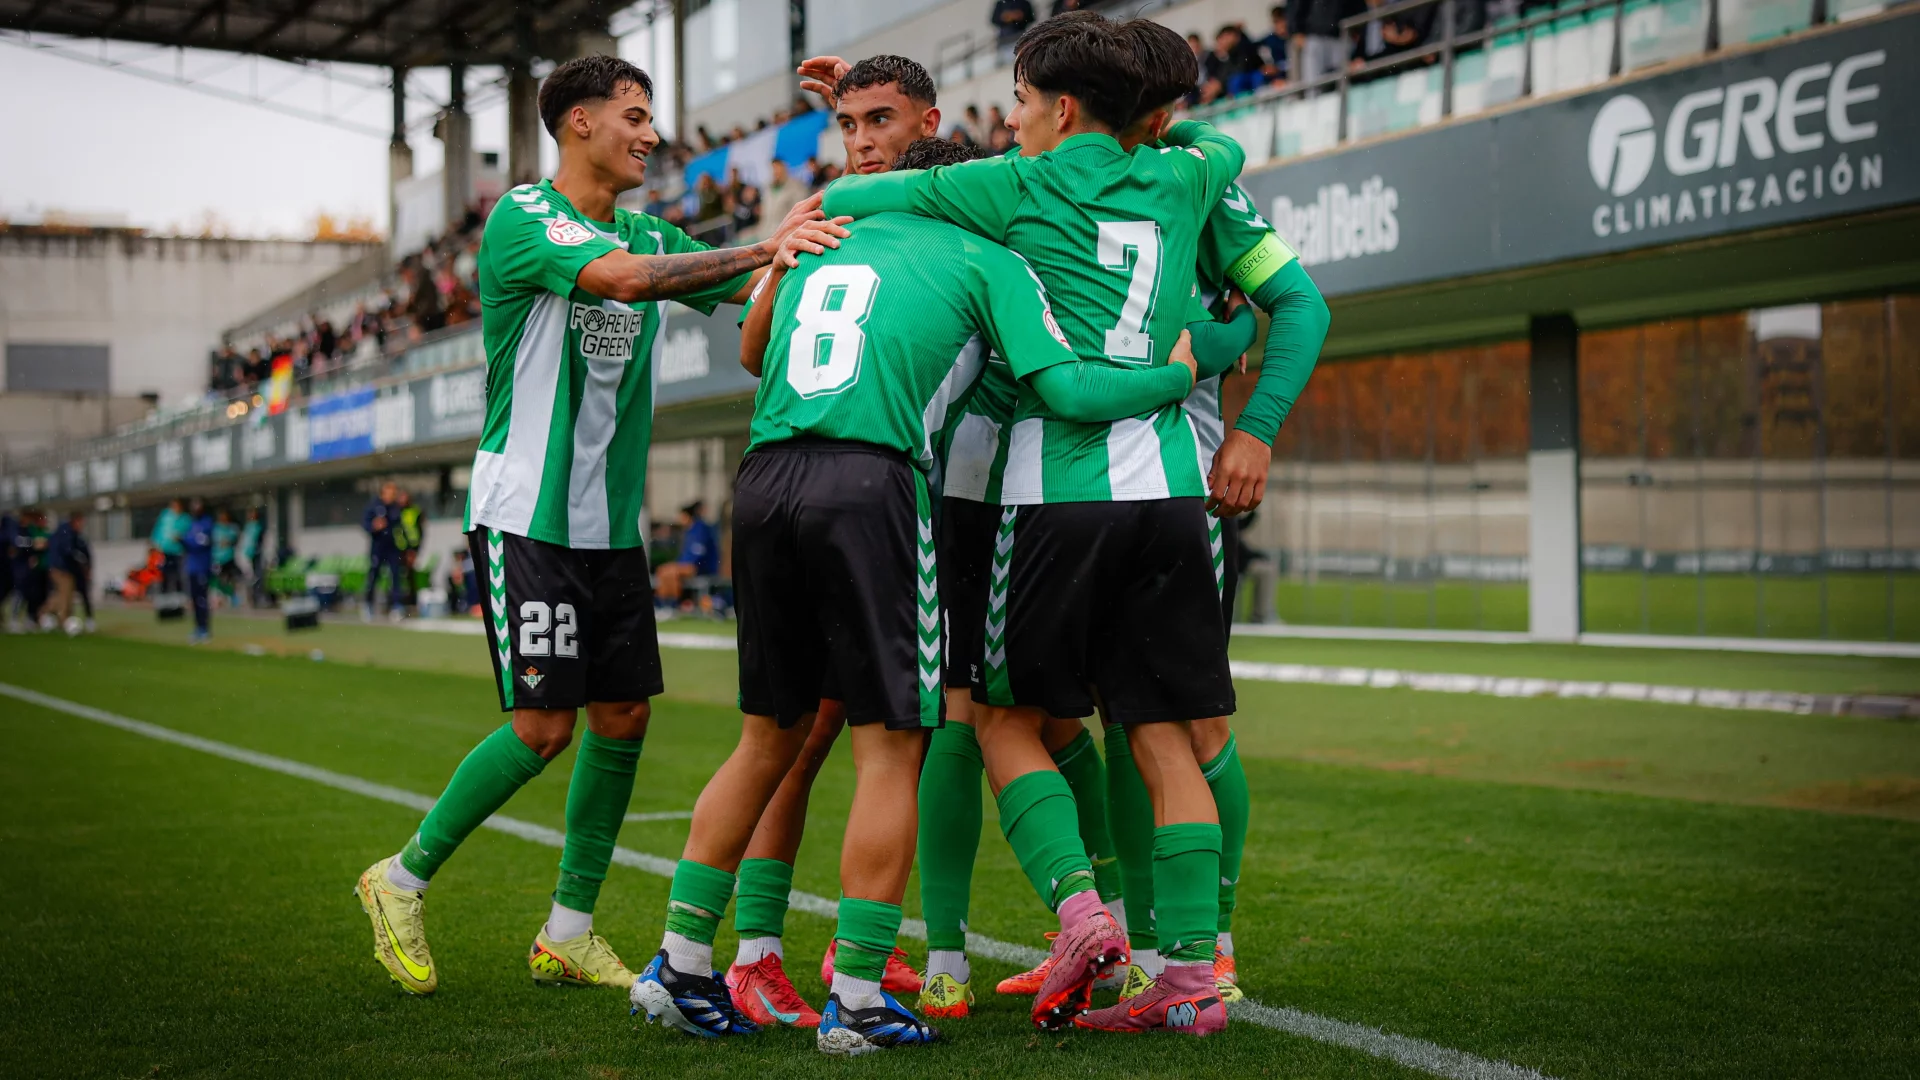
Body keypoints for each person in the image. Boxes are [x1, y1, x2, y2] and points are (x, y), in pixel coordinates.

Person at [635, 133, 1202, 1054]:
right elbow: (1063, 388)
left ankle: (680, 959)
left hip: (765, 477)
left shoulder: (828, 238)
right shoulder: (985, 257)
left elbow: (753, 347)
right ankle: (859, 994)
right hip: (872, 483)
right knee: (894, 746)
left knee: (764, 738)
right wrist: (1176, 372)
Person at [353, 53, 837, 1000]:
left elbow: (753, 295)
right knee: (542, 729)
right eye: (635, 115)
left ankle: (567, 932)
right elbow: (621, 280)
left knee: (623, 717)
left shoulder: (652, 229)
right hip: (526, 513)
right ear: (580, 121)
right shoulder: (524, 217)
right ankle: (399, 879)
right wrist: (762, 249)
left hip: (610, 526)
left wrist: (842, 204)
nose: (652, 135)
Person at [824, 13, 1246, 1035]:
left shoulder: (1012, 185)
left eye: (1018, 101)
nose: (1010, 119)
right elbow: (1216, 145)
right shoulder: (1187, 176)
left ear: (1059, 107)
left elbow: (851, 197)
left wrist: (851, 189)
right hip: (1172, 489)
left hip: (1053, 493)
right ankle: (1193, 979)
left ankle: (1079, 916)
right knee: (1162, 734)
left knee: (998, 718)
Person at [1066, 18, 1328, 1024]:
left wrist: (1253, 430)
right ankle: (1139, 944)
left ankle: (1210, 944)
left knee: (1194, 724)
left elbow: (1298, 305)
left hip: (1179, 488)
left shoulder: (1197, 180)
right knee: (1117, 718)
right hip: (1077, 490)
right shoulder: (1062, 173)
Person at [362, 482, 405, 619]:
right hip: (378, 547)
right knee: (374, 575)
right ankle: (368, 604)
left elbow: (399, 525)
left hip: (392, 547)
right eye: (389, 492)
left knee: (395, 575)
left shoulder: (396, 507)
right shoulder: (374, 506)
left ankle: (396, 606)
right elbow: (365, 524)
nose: (392, 495)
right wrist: (374, 526)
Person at [47, 511, 92, 635]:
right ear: (75, 521)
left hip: (60, 568)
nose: (82, 525)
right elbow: (67, 551)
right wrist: (79, 559)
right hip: (61, 569)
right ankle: (62, 620)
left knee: (63, 594)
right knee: (65, 595)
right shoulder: (66, 532)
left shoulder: (67, 532)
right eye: (81, 522)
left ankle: (48, 614)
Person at [182, 499, 215, 644]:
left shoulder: (207, 523)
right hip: (192, 567)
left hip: (203, 567)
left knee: (202, 600)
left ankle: (205, 629)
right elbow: (190, 541)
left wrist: (183, 540)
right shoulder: (192, 524)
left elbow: (199, 543)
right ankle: (198, 628)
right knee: (195, 600)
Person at [395, 489, 426, 613]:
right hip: (397, 548)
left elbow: (419, 532)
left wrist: (414, 550)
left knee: (409, 575)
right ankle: (398, 601)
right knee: (397, 575)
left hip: (410, 548)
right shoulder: (395, 511)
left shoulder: (415, 511)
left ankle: (412, 601)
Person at [152, 498, 186, 594]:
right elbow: (158, 530)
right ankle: (164, 592)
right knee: (164, 572)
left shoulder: (185, 518)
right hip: (165, 549)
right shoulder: (165, 516)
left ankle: (179, 593)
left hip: (178, 550)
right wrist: (155, 542)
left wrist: (180, 537)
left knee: (178, 572)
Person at [212, 509, 240, 605]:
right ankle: (219, 597)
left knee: (230, 578)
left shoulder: (233, 528)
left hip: (229, 557)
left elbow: (234, 539)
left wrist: (228, 541)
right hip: (218, 558)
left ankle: (232, 596)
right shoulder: (215, 528)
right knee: (218, 579)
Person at [240, 508, 265, 608]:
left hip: (256, 556)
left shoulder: (258, 527)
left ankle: (257, 597)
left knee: (257, 576)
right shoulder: (247, 527)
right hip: (246, 556)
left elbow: (258, 542)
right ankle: (249, 599)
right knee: (249, 577)